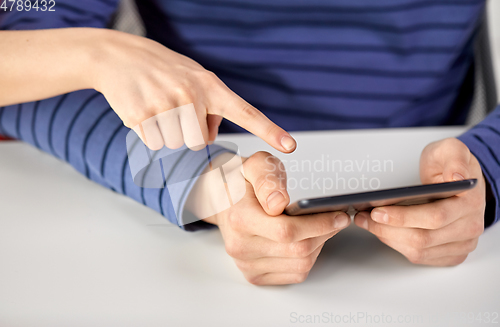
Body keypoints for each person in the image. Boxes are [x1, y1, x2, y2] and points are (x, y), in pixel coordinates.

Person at [0, 0, 497, 286]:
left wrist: (489, 167)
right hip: (196, 173)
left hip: (430, 189)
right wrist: (199, 183)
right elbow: (27, 72)